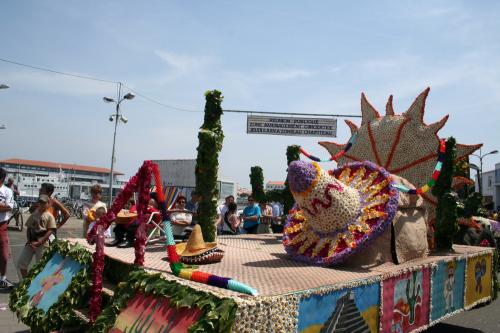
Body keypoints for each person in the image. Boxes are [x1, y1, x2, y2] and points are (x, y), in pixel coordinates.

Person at [17, 194, 57, 278]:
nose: (42, 204)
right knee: (21, 262)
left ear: (48, 203)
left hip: (43, 242)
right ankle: (25, 281)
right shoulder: (34, 214)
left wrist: (40, 242)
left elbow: (50, 230)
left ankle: (38, 285)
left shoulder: (49, 216)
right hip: (31, 241)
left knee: (41, 266)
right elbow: (28, 227)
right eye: (40, 202)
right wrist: (29, 241)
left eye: (44, 203)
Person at [0, 168, 14, 288]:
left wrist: (4, 206)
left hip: (2, 225)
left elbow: (9, 207)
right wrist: (2, 205)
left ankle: (2, 278)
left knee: (4, 256)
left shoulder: (7, 191)